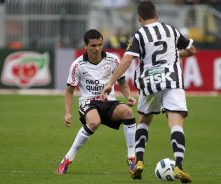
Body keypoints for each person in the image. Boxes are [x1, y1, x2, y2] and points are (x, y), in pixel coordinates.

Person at [101, 1, 196, 183]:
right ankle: (179, 165)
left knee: (144, 120)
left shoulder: (139, 34)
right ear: (157, 16)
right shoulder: (171, 30)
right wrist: (176, 54)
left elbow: (127, 60)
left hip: (149, 81)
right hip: (172, 79)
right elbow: (191, 49)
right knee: (176, 122)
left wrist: (111, 82)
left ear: (139, 18)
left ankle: (139, 162)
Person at [57, 29, 137, 175]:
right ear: (85, 46)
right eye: (93, 46)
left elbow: (123, 82)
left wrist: (128, 97)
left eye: (100, 45)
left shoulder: (113, 60)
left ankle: (132, 157)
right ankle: (67, 159)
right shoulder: (77, 65)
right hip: (88, 103)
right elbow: (69, 92)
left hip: (108, 102)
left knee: (128, 112)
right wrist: (67, 113)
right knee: (94, 122)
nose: (97, 48)